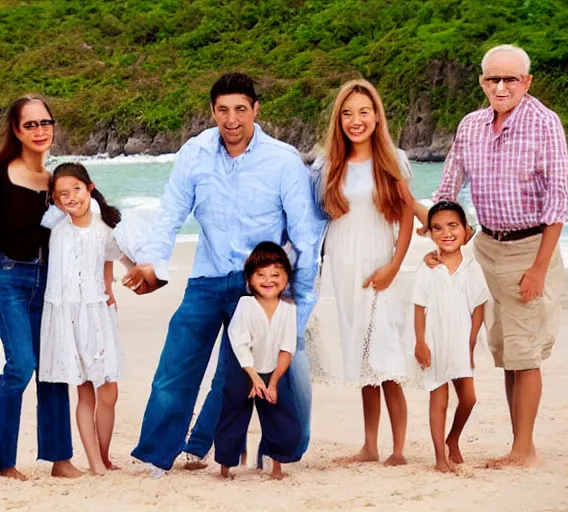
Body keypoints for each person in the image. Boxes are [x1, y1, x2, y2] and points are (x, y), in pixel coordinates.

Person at [122, 72, 325, 476]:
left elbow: (306, 236)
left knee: (257, 374)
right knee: (175, 369)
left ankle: (275, 451)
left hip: (260, 287)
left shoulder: (282, 160)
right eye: (222, 110)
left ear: (255, 110)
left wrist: (297, 307)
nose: (231, 119)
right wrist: (153, 263)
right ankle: (157, 458)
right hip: (207, 277)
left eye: (240, 109)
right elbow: (170, 215)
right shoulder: (194, 153)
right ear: (212, 111)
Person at [424, 45, 568, 467]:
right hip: (484, 248)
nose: (501, 86)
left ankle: (524, 449)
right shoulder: (471, 125)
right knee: (506, 350)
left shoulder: (545, 124)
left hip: (530, 247)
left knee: (525, 352)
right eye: (493, 79)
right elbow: (447, 190)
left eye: (510, 79)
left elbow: (559, 202)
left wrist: (539, 268)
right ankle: (517, 441)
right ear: (482, 81)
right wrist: (440, 246)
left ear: (526, 81)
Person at [310, 79, 415, 466]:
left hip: (378, 264)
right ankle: (370, 446)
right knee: (363, 357)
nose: (356, 120)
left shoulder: (393, 160)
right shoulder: (327, 165)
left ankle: (399, 449)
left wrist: (393, 266)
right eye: (348, 113)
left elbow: (406, 216)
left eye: (364, 112)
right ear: (339, 119)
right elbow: (313, 218)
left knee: (385, 356)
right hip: (342, 265)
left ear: (376, 116)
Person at [0, 95, 82, 480]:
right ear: (16, 130)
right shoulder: (2, 175)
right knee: (20, 366)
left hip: (49, 283)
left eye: (44, 123)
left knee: (52, 368)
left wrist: (136, 266)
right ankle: (3, 461)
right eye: (30, 124)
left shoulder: (56, 183)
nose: (39, 131)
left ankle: (59, 458)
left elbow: (96, 219)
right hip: (9, 280)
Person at [39, 163, 125, 476]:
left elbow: (109, 257)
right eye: (63, 194)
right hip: (68, 315)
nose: (71, 197)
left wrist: (109, 284)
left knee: (110, 391)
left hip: (98, 313)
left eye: (77, 188)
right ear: (55, 200)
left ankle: (104, 456)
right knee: (85, 391)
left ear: (89, 188)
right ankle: (96, 464)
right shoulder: (55, 224)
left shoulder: (105, 227)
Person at [214, 242, 301, 480]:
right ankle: (226, 466)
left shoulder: (289, 309)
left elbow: (287, 349)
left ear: (286, 278)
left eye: (275, 274)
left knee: (282, 418)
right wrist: (253, 378)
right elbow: (239, 342)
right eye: (260, 275)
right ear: (250, 279)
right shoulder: (245, 305)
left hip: (274, 370)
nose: (268, 280)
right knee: (233, 415)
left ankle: (276, 467)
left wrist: (272, 383)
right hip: (244, 369)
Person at [412, 201, 489, 472]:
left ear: (466, 231)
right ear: (430, 233)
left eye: (453, 226)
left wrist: (470, 343)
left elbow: (479, 306)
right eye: (438, 228)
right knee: (439, 399)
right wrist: (420, 342)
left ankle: (453, 438)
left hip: (460, 340)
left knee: (468, 398)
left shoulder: (472, 267)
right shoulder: (428, 267)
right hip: (434, 339)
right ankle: (439, 457)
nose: (446, 233)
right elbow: (419, 307)